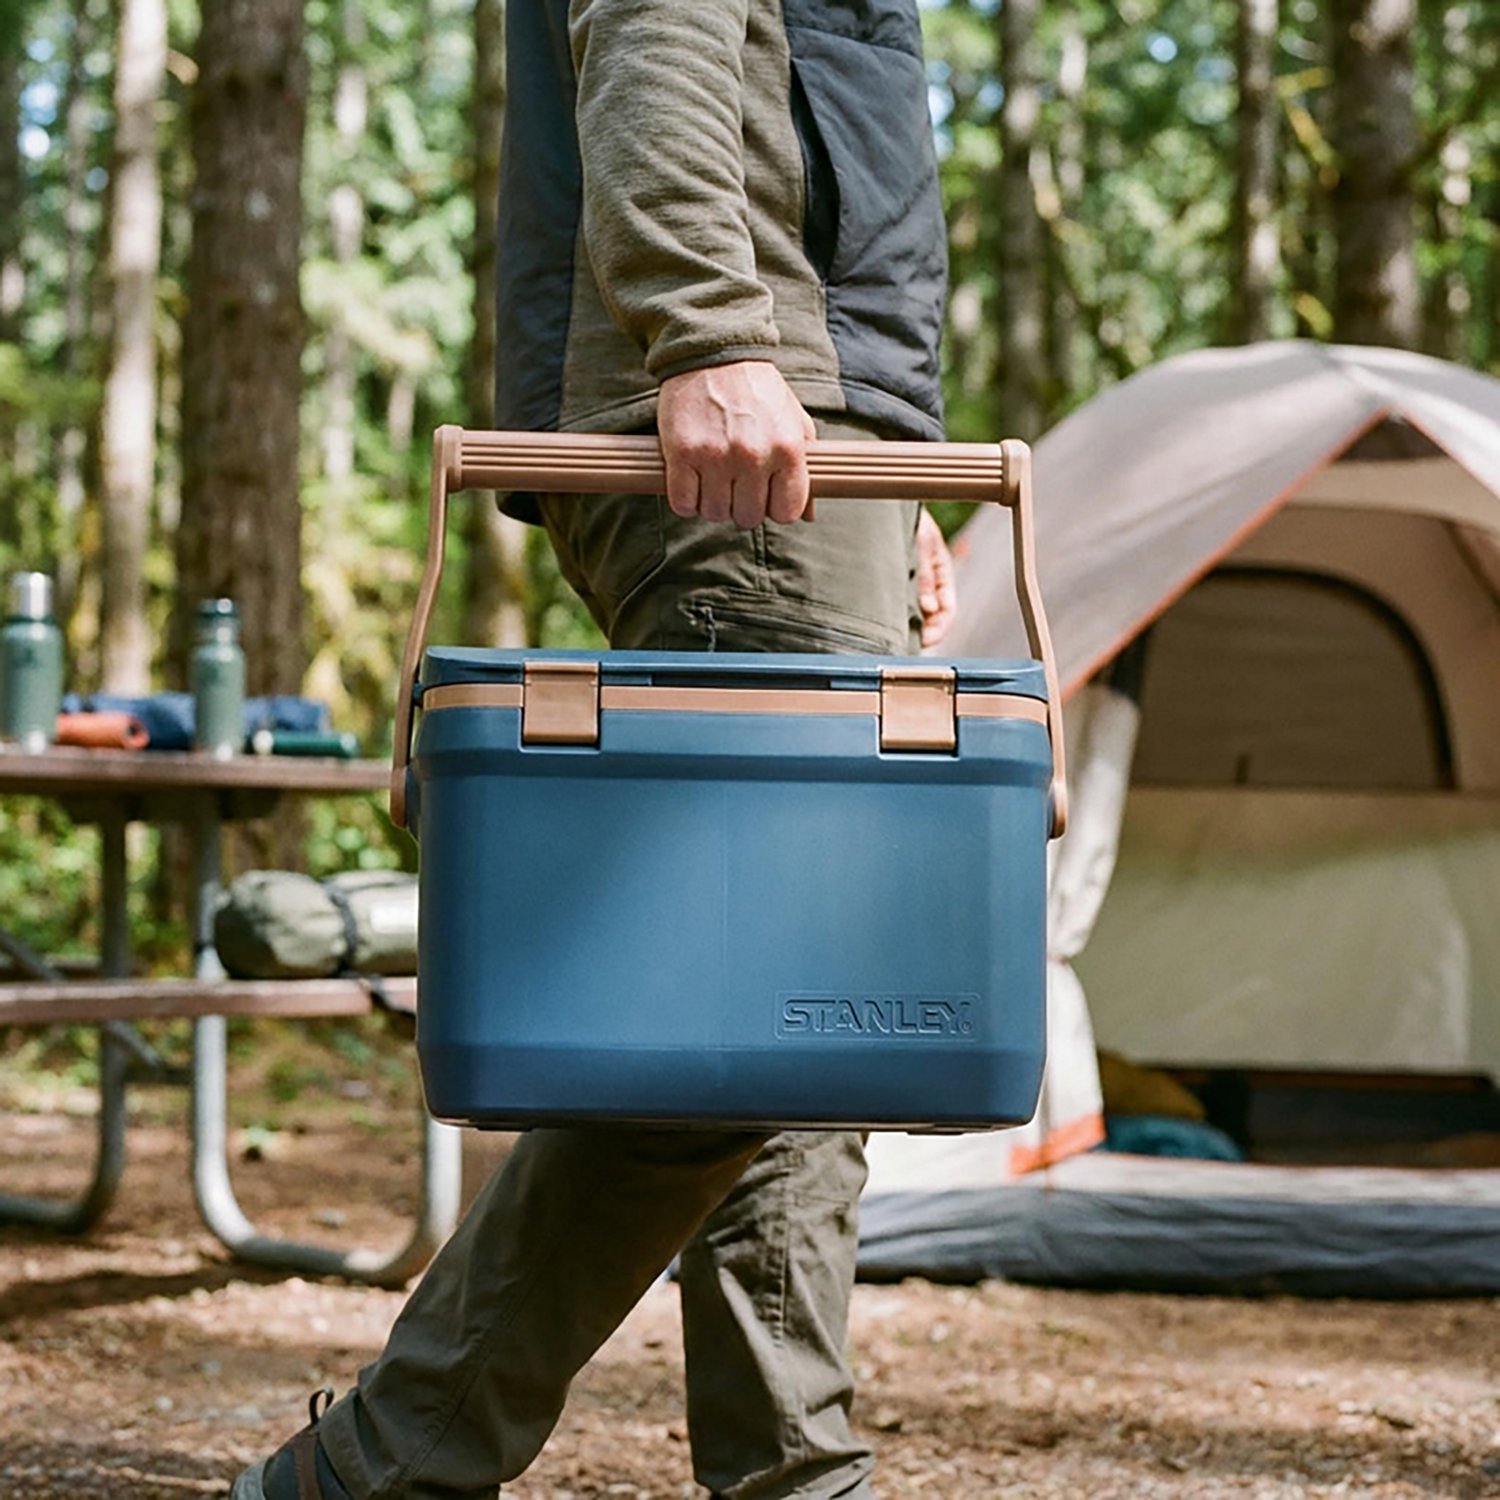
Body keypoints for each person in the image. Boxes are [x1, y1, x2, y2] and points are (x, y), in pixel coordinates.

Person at [232, 2, 952, 1495]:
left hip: (820, 422)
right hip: (745, 413)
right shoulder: (719, 341)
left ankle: (795, 1475)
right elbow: (659, 27)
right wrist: (711, 327)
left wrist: (887, 443)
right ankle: (374, 1472)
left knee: (801, 1014)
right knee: (754, 988)